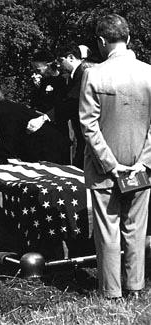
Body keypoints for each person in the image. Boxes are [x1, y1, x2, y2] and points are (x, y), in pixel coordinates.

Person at [79, 14, 151, 299]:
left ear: (101, 41)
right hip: (142, 165)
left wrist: (111, 164)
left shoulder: (93, 74)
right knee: (135, 227)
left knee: (108, 230)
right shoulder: (149, 72)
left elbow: (88, 125)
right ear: (129, 38)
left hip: (103, 168)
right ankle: (135, 286)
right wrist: (143, 161)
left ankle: (111, 291)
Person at [0, 84, 70, 164]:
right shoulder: (5, 106)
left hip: (49, 148)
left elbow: (10, 143)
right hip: (52, 143)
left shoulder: (0, 113)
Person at [28, 50, 71, 164]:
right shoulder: (43, 81)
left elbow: (62, 105)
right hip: (43, 128)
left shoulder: (64, 80)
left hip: (59, 128)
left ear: (47, 65)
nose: (37, 73)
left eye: (38, 70)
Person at [56, 44, 87, 169]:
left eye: (60, 60)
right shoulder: (73, 77)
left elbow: (71, 102)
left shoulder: (84, 74)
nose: (58, 65)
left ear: (70, 57)